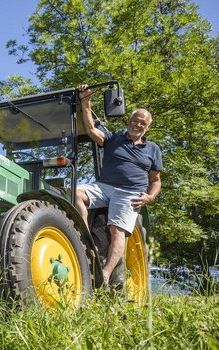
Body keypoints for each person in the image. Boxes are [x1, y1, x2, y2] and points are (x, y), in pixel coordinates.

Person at [75, 84, 163, 287]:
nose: (138, 125)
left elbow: (156, 180)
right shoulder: (114, 138)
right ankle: (85, 241)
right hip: (104, 186)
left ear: (147, 127)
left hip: (130, 193)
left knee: (117, 230)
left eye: (143, 123)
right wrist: (85, 102)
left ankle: (104, 274)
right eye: (135, 120)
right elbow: (90, 130)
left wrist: (150, 197)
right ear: (129, 121)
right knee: (76, 192)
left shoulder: (152, 149)